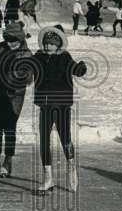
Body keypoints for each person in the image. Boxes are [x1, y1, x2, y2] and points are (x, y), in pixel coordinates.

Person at [32, 26, 88, 195]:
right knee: (44, 141)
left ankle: (71, 166)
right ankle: (48, 178)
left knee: (65, 139)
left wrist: (81, 67)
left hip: (62, 106)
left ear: (58, 45)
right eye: (45, 43)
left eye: (51, 44)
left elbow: (75, 70)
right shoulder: (38, 56)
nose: (47, 46)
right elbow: (27, 67)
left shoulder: (64, 57)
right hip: (45, 106)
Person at [0, 21, 33, 178]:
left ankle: (7, 161)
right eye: (8, 39)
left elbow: (28, 79)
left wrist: (11, 72)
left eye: (13, 40)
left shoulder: (26, 53)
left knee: (9, 127)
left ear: (20, 38)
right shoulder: (0, 47)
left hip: (15, 95)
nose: (10, 43)